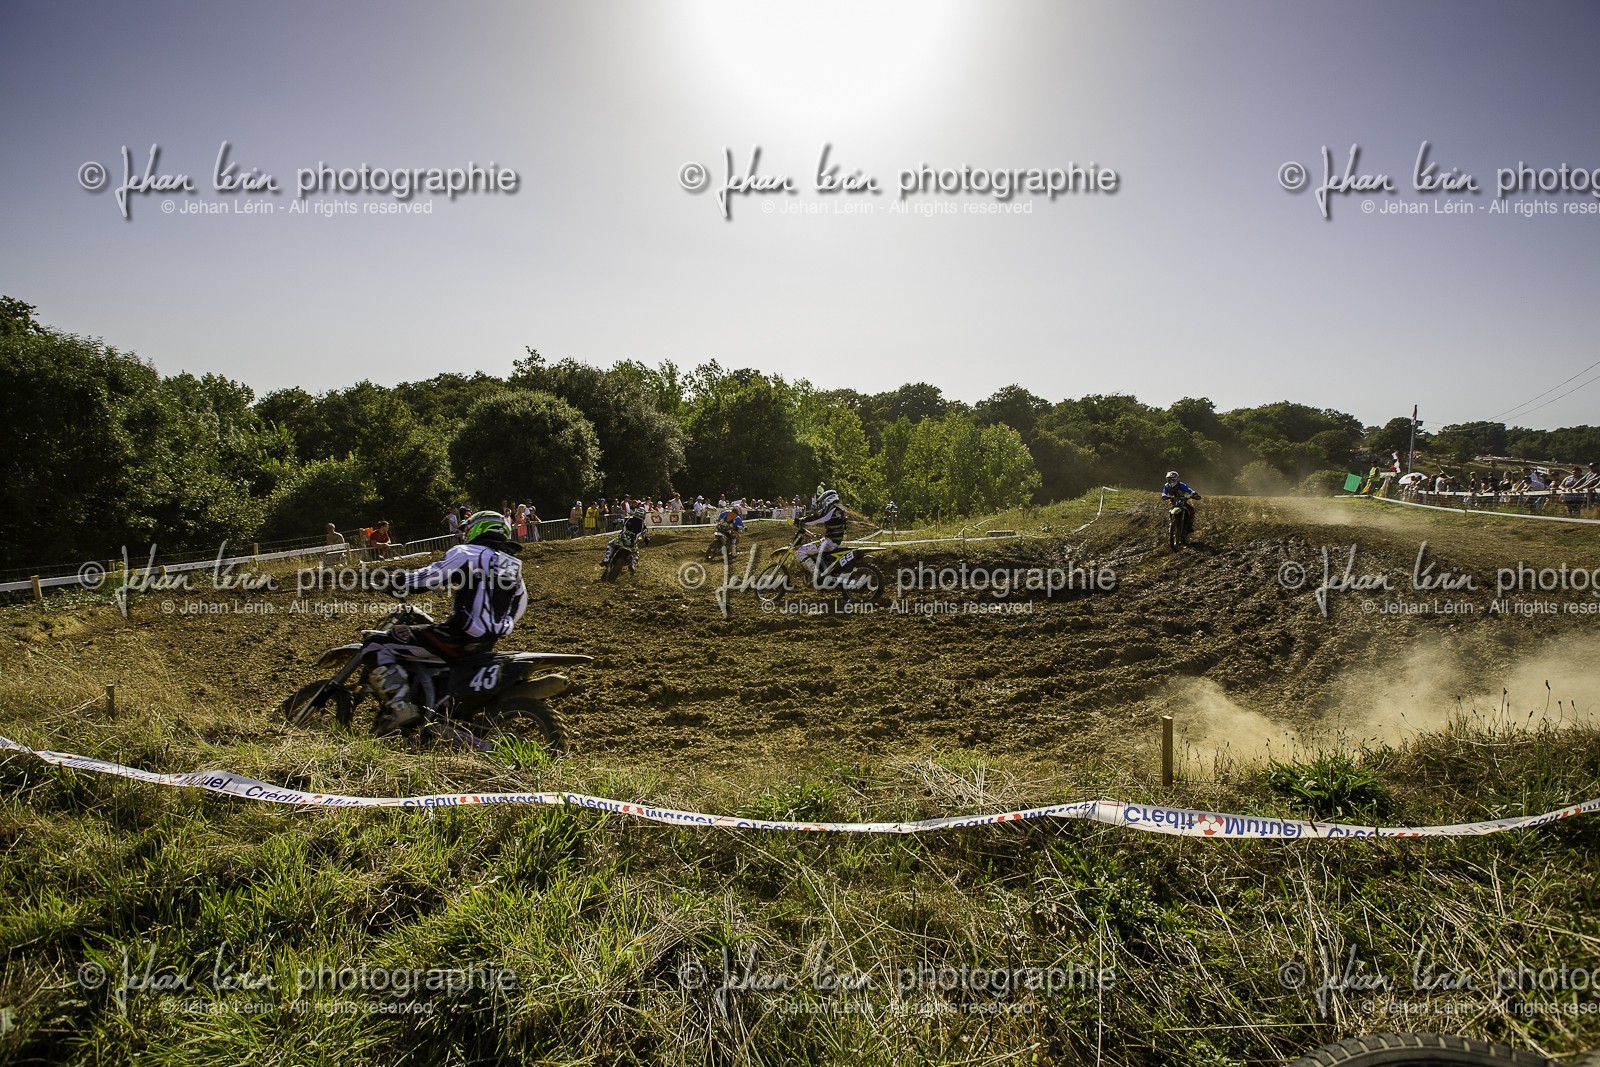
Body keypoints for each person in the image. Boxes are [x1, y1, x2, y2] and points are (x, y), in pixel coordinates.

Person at [368, 511, 529, 735]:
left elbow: (431, 576)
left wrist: (397, 582)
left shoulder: (468, 552)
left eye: (467, 529)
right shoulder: (511, 564)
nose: (465, 533)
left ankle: (401, 709)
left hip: (458, 635)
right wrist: (502, 624)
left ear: (479, 528)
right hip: (486, 642)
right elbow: (520, 603)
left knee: (377, 644)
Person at [793, 489, 850, 576]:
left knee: (799, 551)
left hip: (829, 542)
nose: (822, 504)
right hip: (835, 540)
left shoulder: (831, 509)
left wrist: (802, 520)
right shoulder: (840, 509)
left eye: (823, 501)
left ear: (828, 499)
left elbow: (818, 517)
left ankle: (816, 575)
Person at [1160, 471, 1201, 537]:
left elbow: (1189, 489)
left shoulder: (1181, 485)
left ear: (1176, 479)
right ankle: (1171, 523)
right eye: (1169, 480)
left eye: (1172, 480)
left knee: (1191, 510)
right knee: (1170, 511)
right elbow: (1164, 492)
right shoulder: (1166, 486)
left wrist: (1194, 494)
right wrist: (1164, 496)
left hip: (1182, 501)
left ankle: (1190, 525)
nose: (1171, 481)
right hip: (1173, 501)